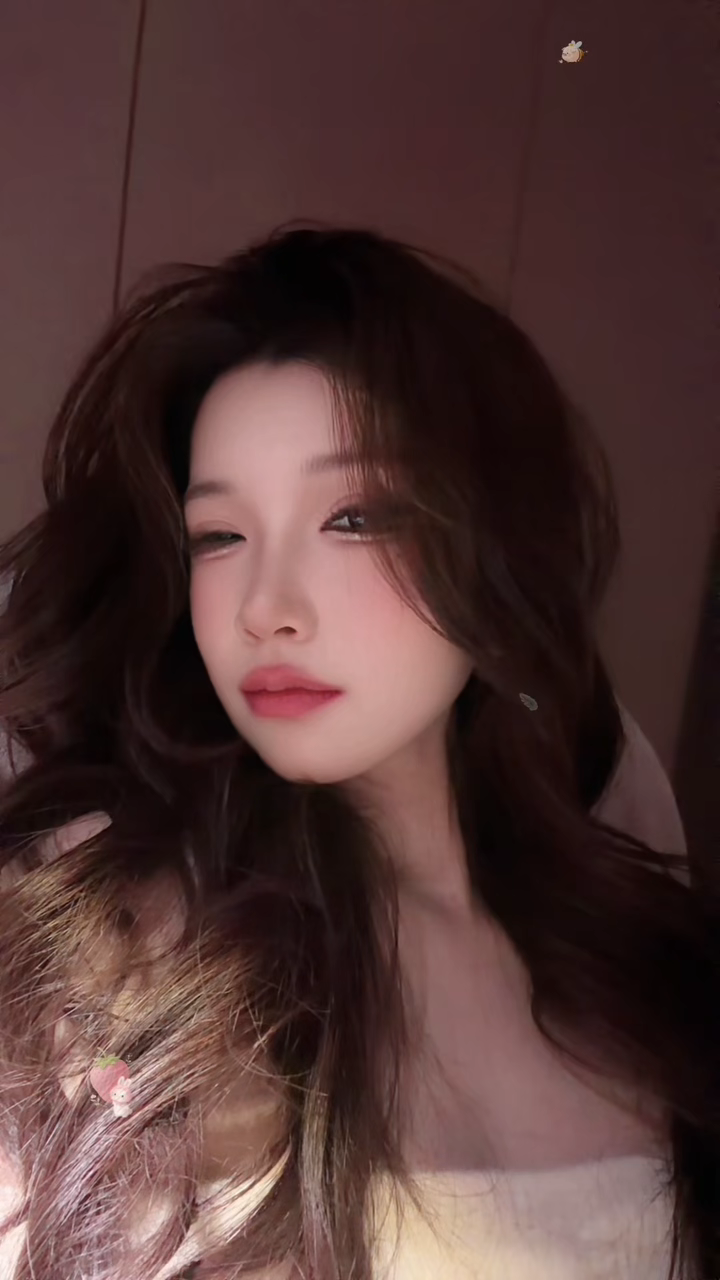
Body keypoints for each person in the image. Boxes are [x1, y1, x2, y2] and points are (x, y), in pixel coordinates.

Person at [0, 223, 713, 1280]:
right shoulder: (129, 960)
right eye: (220, 536)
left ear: (491, 544)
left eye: (353, 517)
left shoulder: (644, 955)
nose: (267, 606)